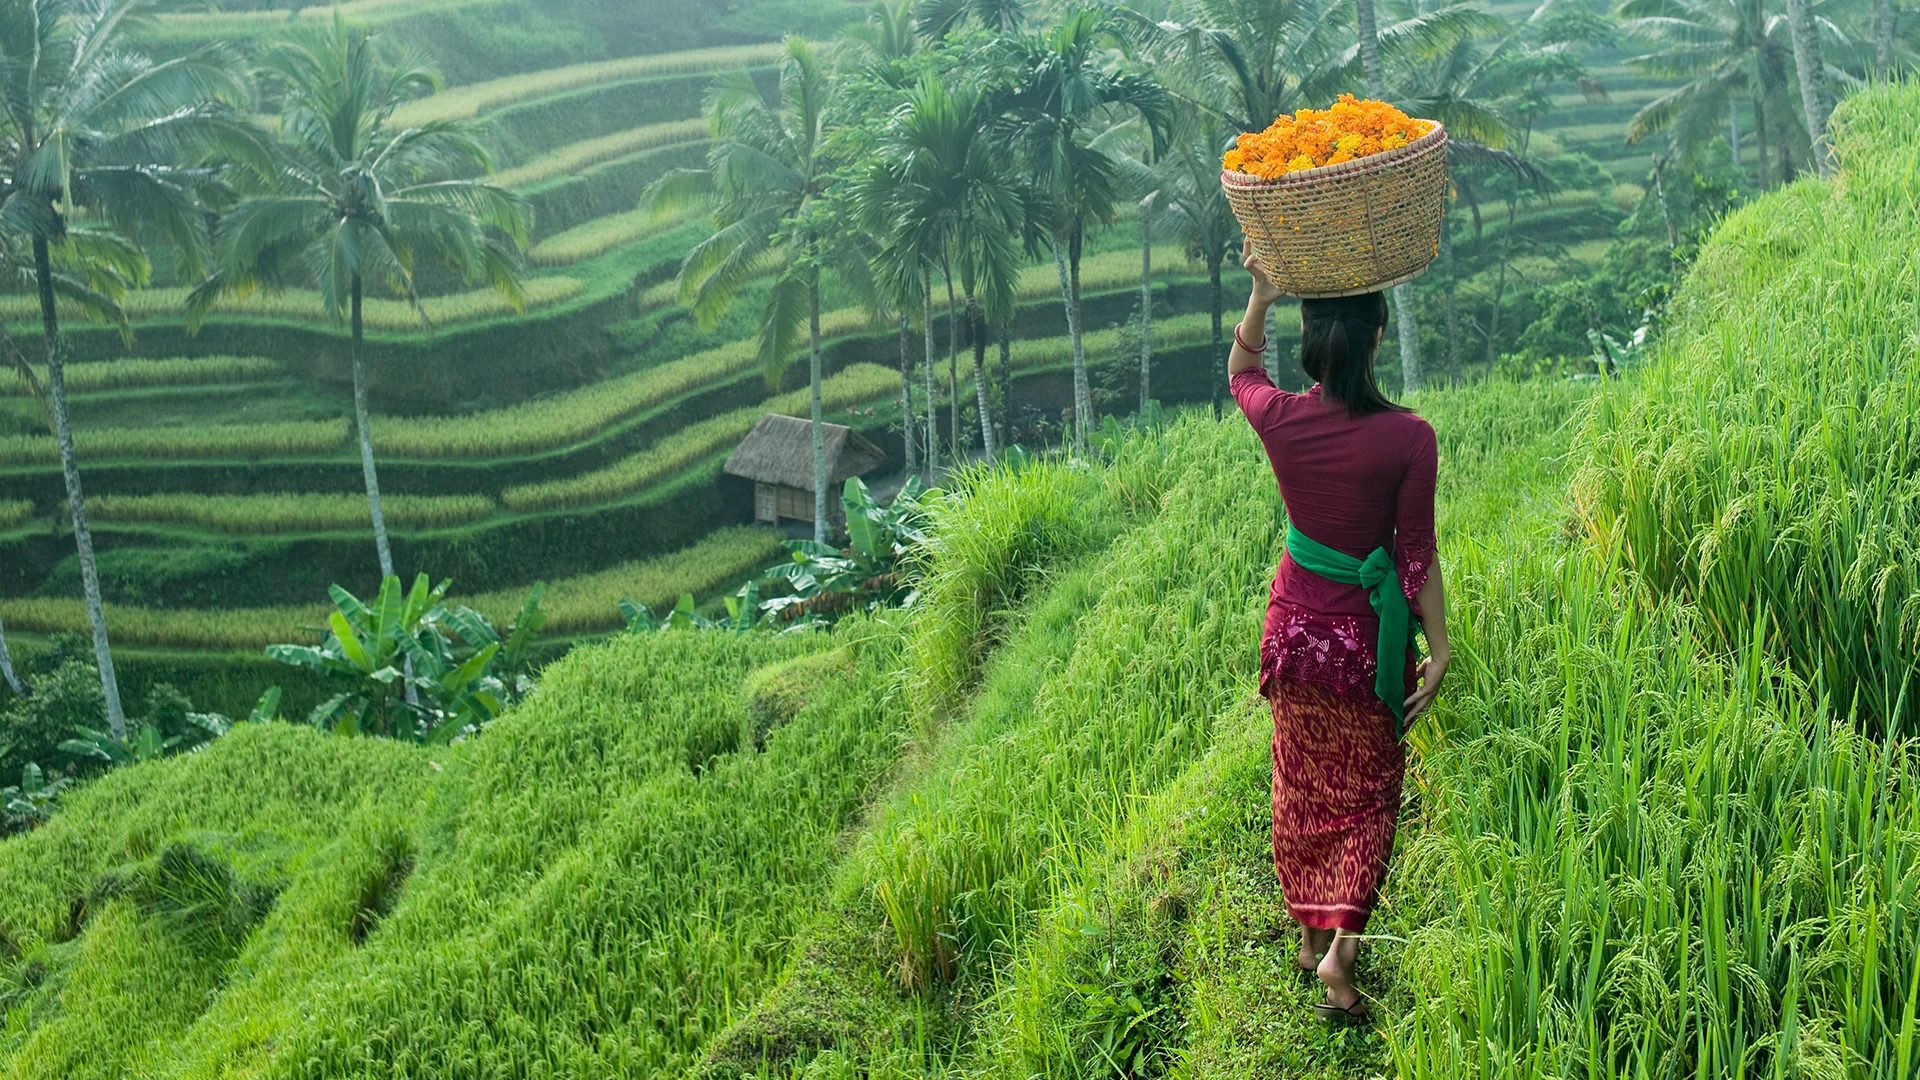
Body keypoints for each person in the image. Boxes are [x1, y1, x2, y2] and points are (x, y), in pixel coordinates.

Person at [1228, 240, 1449, 1024]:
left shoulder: (1283, 421)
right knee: (1368, 799)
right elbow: (1415, 555)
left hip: (1294, 639)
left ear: (1315, 344)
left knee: (1302, 785)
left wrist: (1261, 293)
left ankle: (1304, 932)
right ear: (1379, 337)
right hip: (1364, 647)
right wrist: (1442, 650)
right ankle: (1339, 957)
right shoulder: (1409, 438)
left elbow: (1242, 374)